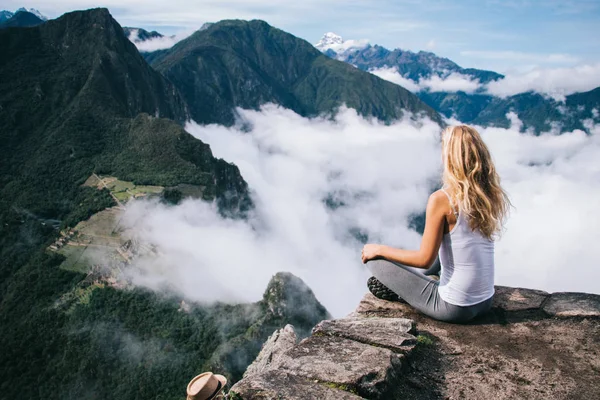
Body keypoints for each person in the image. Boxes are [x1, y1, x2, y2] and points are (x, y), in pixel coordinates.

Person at [361, 125, 511, 323]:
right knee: (444, 249)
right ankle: (417, 283)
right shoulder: (488, 195)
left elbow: (424, 258)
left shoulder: (442, 199)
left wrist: (379, 249)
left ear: (450, 157)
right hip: (485, 300)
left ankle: (405, 292)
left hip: (455, 307)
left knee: (374, 261)